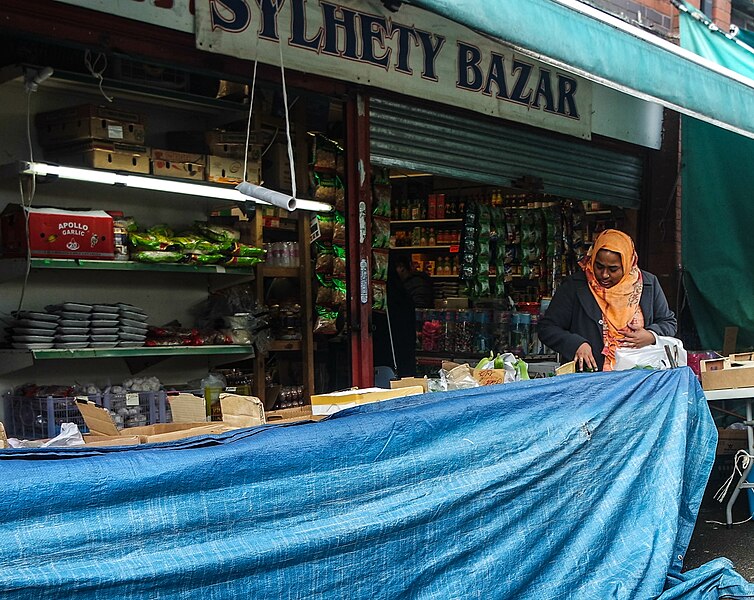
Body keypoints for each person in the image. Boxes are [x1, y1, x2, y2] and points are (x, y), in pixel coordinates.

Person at [538, 229, 676, 372]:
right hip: (590, 381)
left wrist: (651, 335)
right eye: (599, 266)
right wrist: (576, 344)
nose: (604, 275)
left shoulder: (648, 284)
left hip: (639, 379)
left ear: (627, 264)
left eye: (613, 269)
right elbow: (547, 328)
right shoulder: (575, 286)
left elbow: (668, 322)